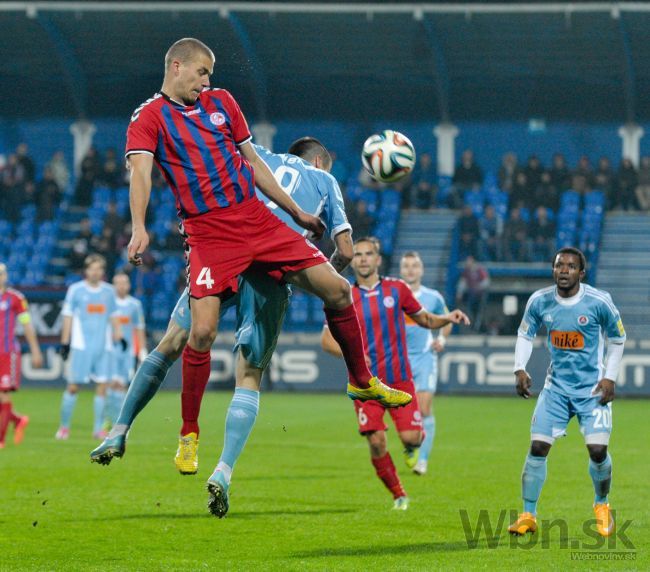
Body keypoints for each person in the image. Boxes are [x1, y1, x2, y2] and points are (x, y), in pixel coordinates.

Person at [124, 38, 409, 420]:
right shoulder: (151, 117)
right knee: (240, 361)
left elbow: (253, 163)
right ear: (177, 66)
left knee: (181, 339)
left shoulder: (232, 115)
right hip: (231, 243)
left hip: (251, 232)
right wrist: (138, 226)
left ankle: (134, 429)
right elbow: (141, 171)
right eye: (202, 72)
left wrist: (140, 226)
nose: (206, 82)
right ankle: (190, 441)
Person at [91, 136, 355, 518]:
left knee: (172, 342)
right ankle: (223, 471)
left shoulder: (260, 155)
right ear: (318, 161)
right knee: (248, 375)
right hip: (272, 266)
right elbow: (345, 251)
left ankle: (119, 429)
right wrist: (320, 276)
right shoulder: (324, 179)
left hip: (225, 249)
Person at [321, 237, 469, 510]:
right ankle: (399, 494)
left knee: (412, 438)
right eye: (358, 255)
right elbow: (326, 340)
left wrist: (447, 319)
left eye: (369, 254)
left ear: (378, 260)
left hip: (400, 380)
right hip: (365, 384)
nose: (363, 259)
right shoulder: (343, 294)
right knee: (376, 443)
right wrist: (350, 354)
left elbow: (425, 319)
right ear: (352, 261)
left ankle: (412, 448)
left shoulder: (397, 289)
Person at [508, 247, 625, 538]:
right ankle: (527, 515)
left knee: (598, 452)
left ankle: (602, 505)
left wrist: (610, 377)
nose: (564, 270)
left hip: (592, 390)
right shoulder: (540, 301)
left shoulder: (599, 302)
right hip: (556, 390)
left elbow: (618, 338)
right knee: (537, 448)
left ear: (581, 273)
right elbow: (525, 333)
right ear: (553, 269)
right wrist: (519, 367)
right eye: (559, 265)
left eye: (571, 266)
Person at [56, 254, 125, 440]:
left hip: (103, 347)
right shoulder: (76, 290)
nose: (95, 272)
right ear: (86, 270)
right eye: (92, 268)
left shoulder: (109, 291)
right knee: (72, 387)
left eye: (99, 269)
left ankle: (97, 429)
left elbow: (114, 315)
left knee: (102, 387)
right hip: (81, 346)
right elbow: (68, 316)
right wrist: (65, 342)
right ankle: (64, 427)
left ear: (102, 272)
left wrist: (119, 334)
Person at [399, 252, 452, 476]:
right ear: (401, 270)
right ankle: (410, 445)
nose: (410, 270)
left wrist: (441, 338)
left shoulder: (433, 298)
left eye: (415, 266)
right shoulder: (393, 295)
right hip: (399, 360)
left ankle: (422, 460)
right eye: (406, 266)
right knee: (402, 412)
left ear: (421, 270)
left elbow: (446, 318)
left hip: (424, 358)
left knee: (424, 409)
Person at [0, 264, 43, 448]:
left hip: (7, 353)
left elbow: (27, 325)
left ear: (5, 276)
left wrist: (35, 350)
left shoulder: (16, 298)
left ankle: (1, 439)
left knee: (4, 395)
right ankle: (17, 419)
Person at [106, 273, 146, 427]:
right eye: (118, 283)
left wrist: (142, 350)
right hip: (110, 351)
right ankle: (109, 419)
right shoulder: (109, 304)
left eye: (124, 283)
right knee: (111, 384)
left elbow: (139, 328)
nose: (121, 286)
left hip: (127, 352)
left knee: (122, 385)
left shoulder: (134, 305)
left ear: (129, 285)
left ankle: (118, 421)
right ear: (113, 285)